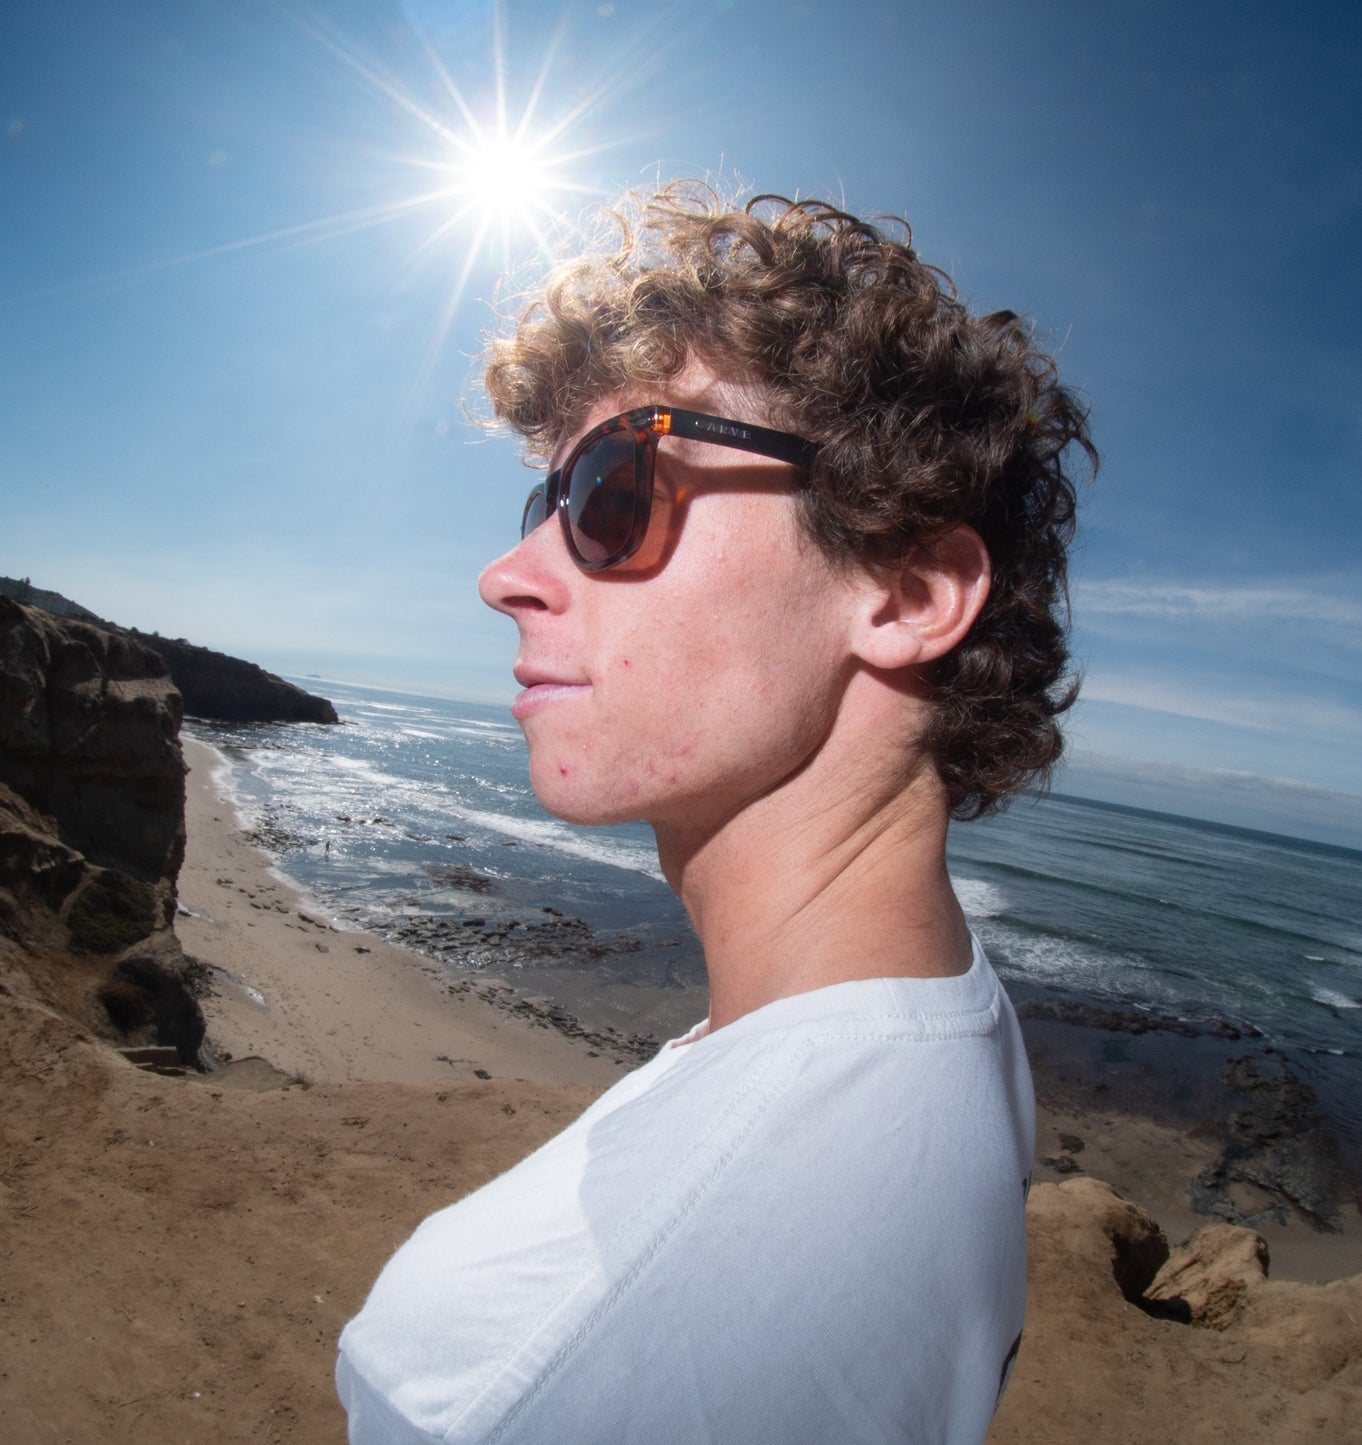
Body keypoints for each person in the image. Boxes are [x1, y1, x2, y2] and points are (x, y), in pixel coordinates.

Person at [336, 182, 1095, 1443]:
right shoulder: (944, 1014)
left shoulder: (545, 1369)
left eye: (613, 490)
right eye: (549, 504)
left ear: (905, 593)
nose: (506, 575)